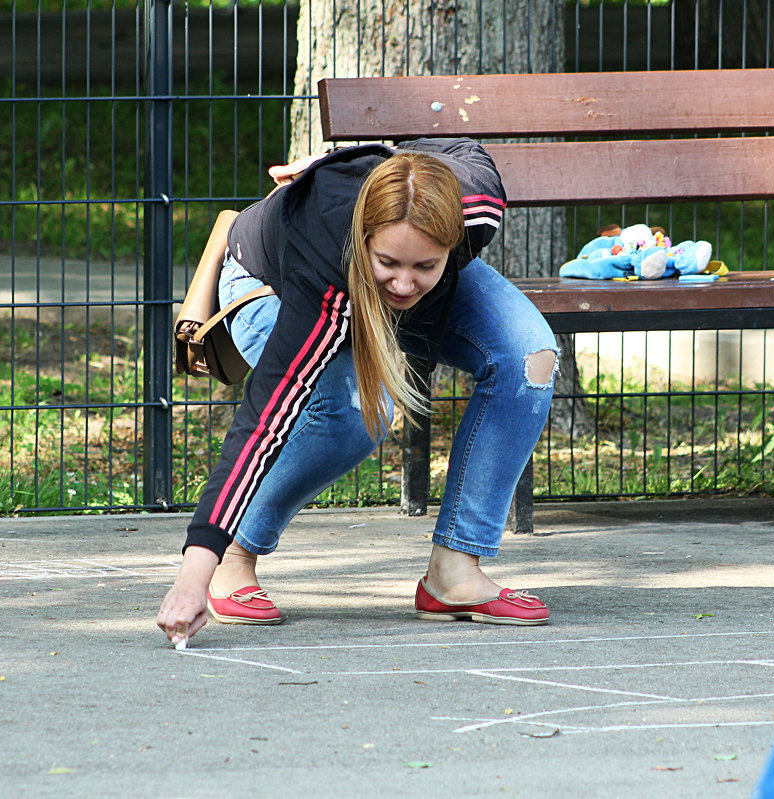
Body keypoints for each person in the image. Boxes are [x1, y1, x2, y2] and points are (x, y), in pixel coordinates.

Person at [157, 138, 557, 645]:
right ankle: (234, 553)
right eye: (388, 262)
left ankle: (453, 571)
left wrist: (361, 155)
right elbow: (262, 424)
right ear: (366, 238)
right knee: (354, 411)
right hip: (270, 279)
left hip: (399, 245)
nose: (405, 285)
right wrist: (193, 574)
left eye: (425, 266)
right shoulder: (323, 267)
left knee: (528, 358)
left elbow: (453, 149)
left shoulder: (477, 207)